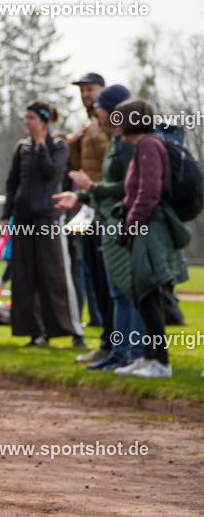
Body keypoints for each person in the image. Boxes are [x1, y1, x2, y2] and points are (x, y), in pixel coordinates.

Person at [54, 84, 144, 371]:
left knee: (126, 292)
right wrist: (80, 195)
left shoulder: (127, 142)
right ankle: (119, 351)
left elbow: (128, 186)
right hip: (105, 218)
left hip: (122, 222)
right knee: (115, 292)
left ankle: (134, 354)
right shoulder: (116, 139)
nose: (97, 112)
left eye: (101, 108)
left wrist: (91, 188)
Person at [109, 98, 184, 378]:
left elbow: (149, 192)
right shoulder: (143, 146)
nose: (114, 126)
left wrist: (131, 223)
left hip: (149, 228)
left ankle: (160, 362)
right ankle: (148, 357)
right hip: (143, 226)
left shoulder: (149, 146)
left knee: (149, 293)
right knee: (141, 295)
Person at [1, 101, 84, 347]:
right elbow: (12, 182)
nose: (26, 122)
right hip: (23, 219)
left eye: (32, 118)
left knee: (56, 275)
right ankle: (36, 332)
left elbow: (50, 171)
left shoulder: (58, 146)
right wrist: (6, 215)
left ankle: (74, 330)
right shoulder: (21, 148)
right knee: (25, 278)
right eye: (26, 117)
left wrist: (40, 144)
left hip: (48, 218)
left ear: (44, 122)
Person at [67, 72, 114, 363]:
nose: (86, 94)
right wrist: (74, 143)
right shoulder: (89, 124)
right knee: (95, 277)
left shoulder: (110, 123)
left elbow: (115, 162)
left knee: (109, 280)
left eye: (90, 89)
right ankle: (107, 342)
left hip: (107, 207)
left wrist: (95, 137)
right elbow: (80, 165)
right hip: (89, 207)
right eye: (83, 90)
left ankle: (117, 343)